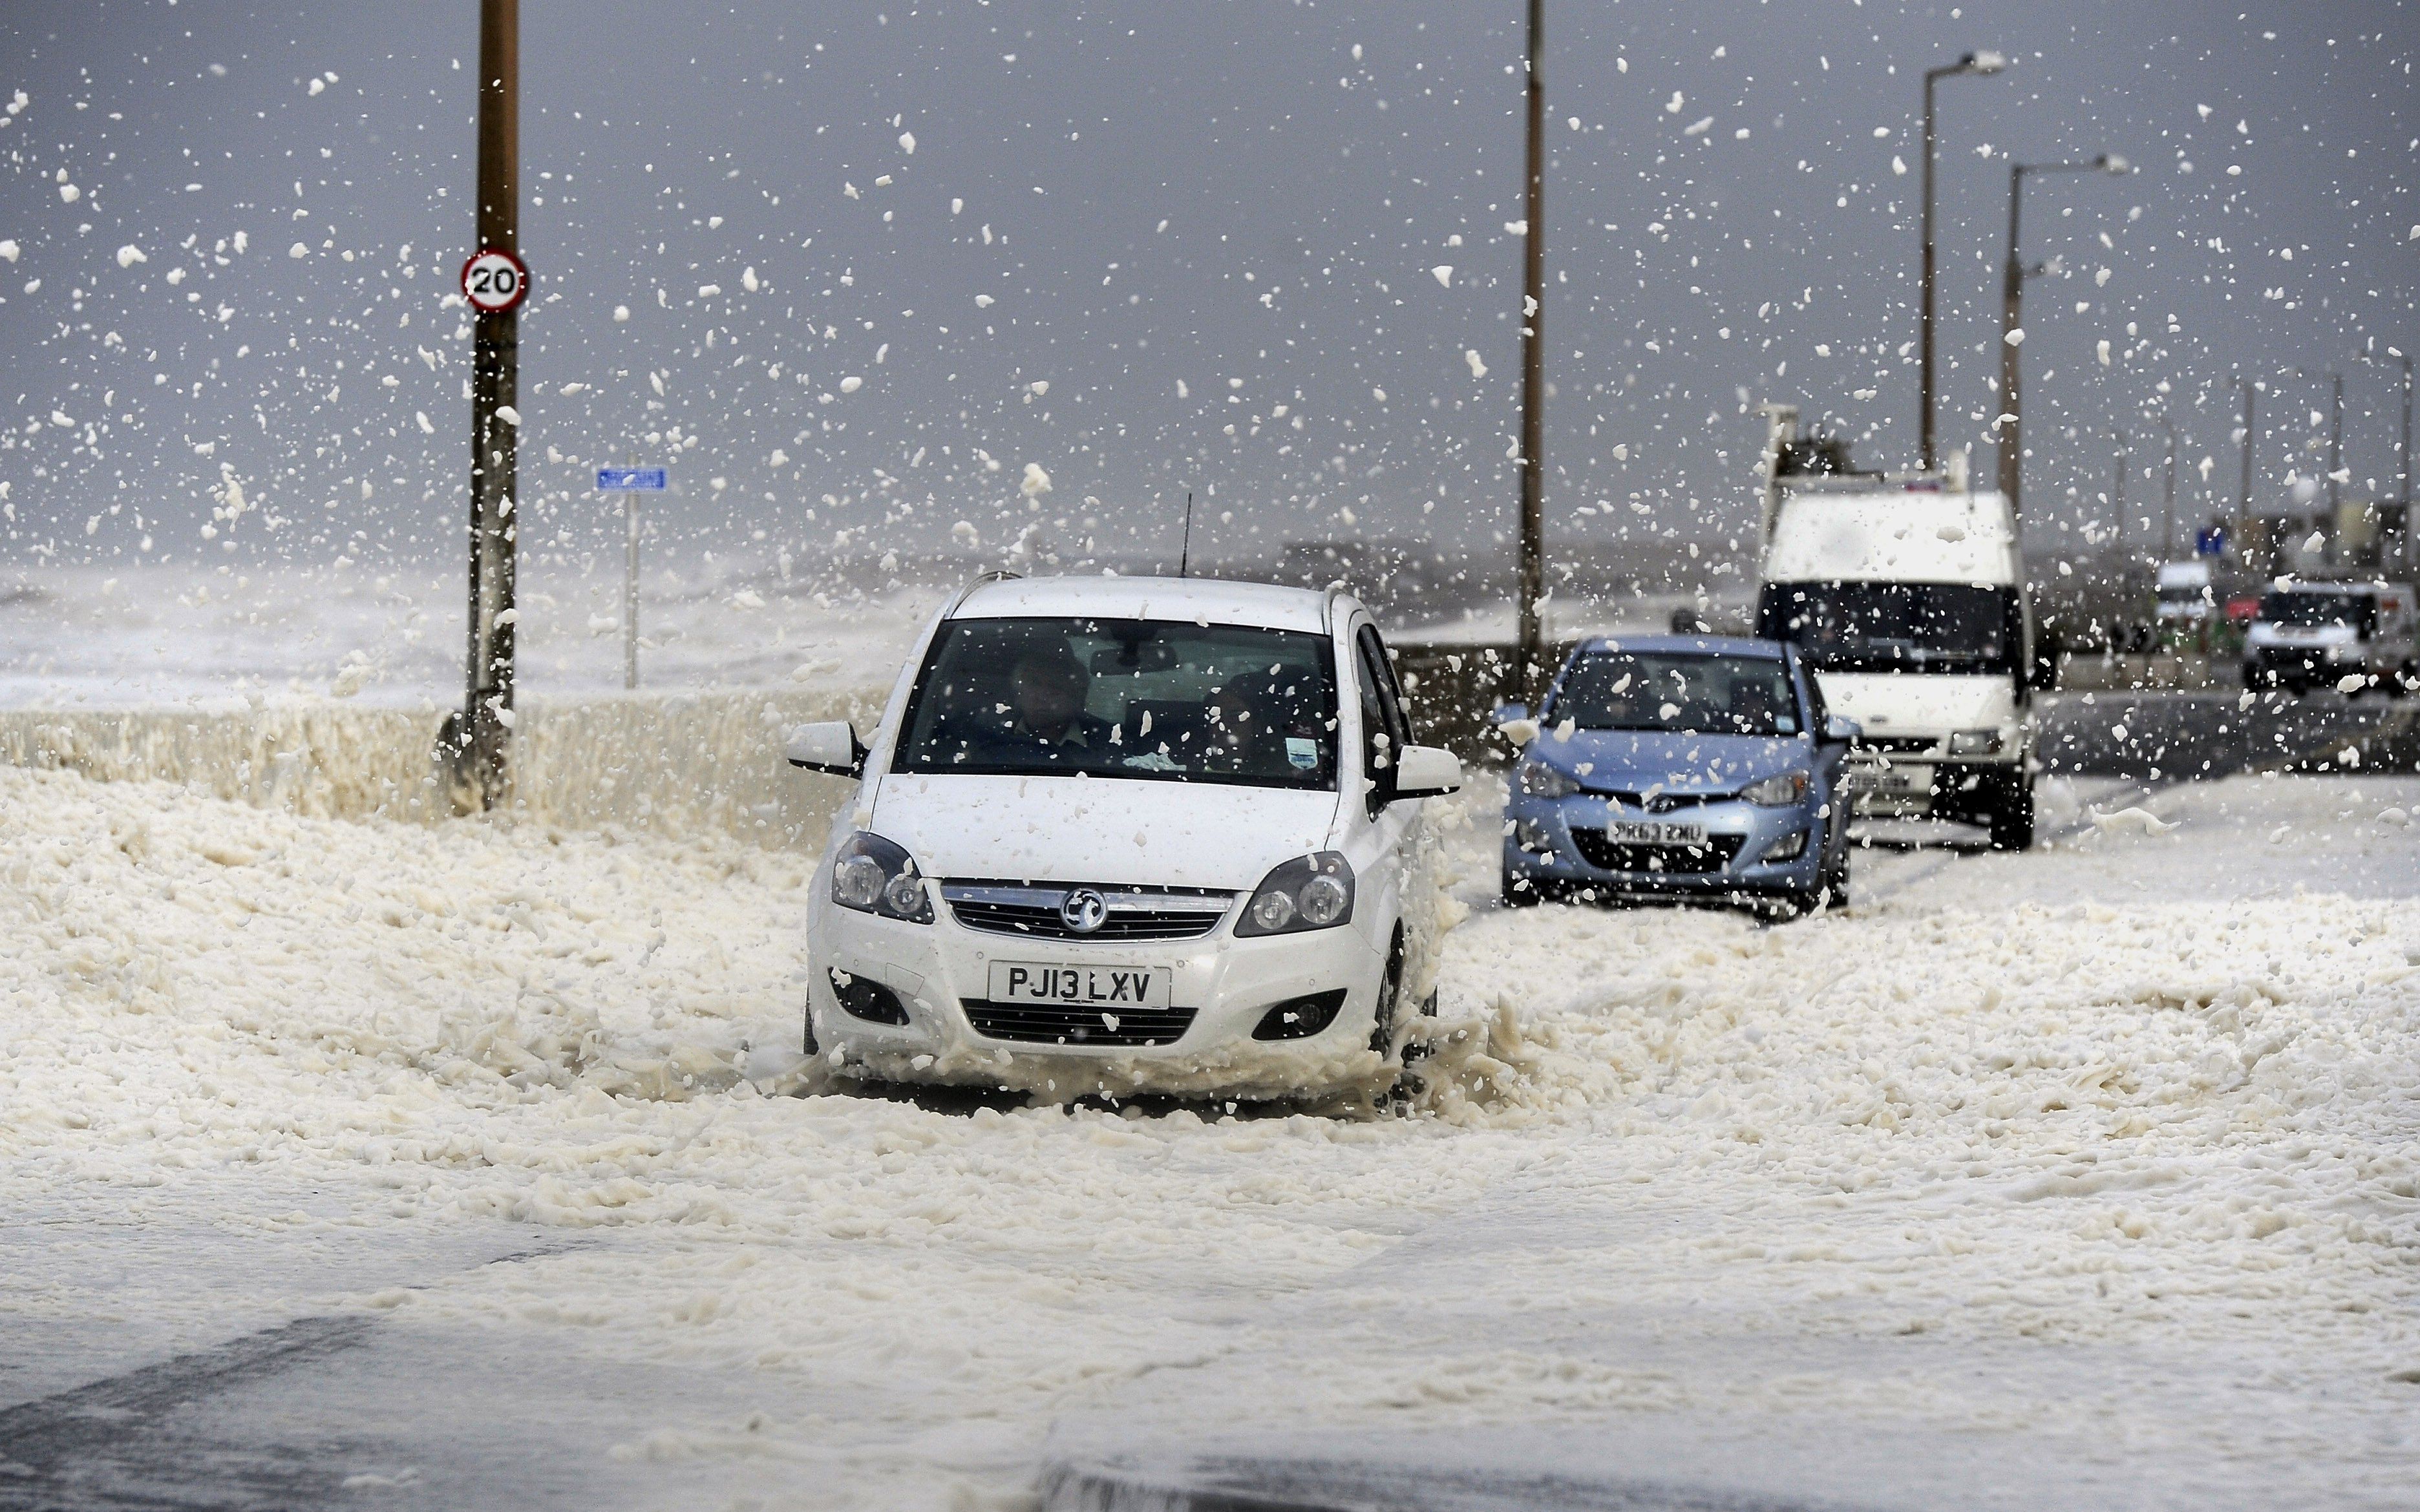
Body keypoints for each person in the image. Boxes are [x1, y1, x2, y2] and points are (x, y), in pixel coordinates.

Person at [1003, 640, 1114, 754]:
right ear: (1018, 693)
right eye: (1034, 683)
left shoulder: (1112, 742)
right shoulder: (994, 739)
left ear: (1076, 695)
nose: (1042, 696)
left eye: (1055, 685)